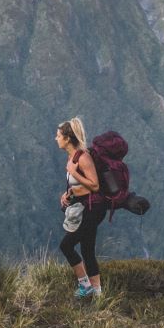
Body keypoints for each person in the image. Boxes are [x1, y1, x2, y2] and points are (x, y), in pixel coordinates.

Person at [56, 117, 104, 300]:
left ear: (67, 138)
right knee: (87, 250)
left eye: (58, 135)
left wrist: (74, 172)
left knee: (66, 245)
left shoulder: (83, 157)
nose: (56, 138)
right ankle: (98, 296)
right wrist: (68, 193)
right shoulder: (72, 157)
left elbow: (95, 186)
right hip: (87, 207)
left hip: (93, 209)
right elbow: (81, 187)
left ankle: (85, 285)